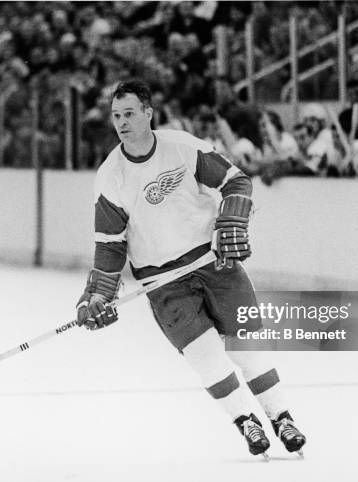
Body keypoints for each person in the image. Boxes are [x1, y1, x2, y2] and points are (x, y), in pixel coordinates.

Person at [75, 80, 306, 456]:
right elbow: (110, 245)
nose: (122, 122)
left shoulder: (183, 147)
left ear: (149, 113)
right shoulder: (110, 176)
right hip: (163, 284)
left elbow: (236, 180)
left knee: (249, 349)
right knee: (207, 358)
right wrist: (99, 292)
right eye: (116, 116)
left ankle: (281, 417)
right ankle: (246, 421)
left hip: (214, 264)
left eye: (130, 113)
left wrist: (231, 221)